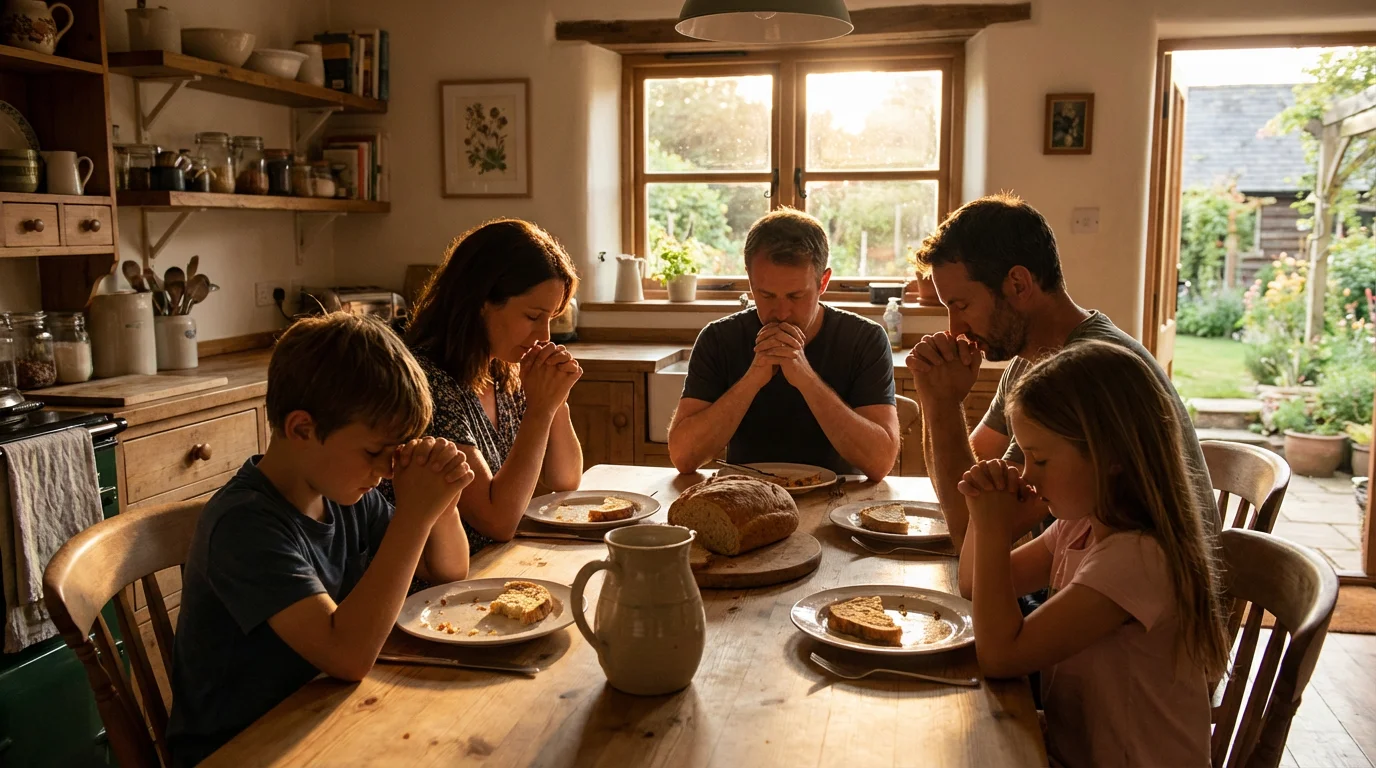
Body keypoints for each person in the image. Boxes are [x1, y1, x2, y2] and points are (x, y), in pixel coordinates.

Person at [168, 313, 475, 766]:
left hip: (324, 714)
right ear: (302, 429)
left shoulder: (344, 494)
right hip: (242, 749)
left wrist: (441, 504)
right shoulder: (244, 525)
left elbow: (447, 568)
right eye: (376, 452)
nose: (388, 471)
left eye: (397, 455)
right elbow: (347, 655)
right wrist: (413, 517)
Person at [958, 341, 1228, 767]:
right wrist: (986, 508)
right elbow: (974, 584)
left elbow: (1001, 656)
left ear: (1110, 457)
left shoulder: (1137, 558)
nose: (1027, 474)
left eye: (1040, 460)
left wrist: (994, 527)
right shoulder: (1080, 525)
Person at [904, 193, 1216, 554]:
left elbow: (975, 532)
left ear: (1018, 284)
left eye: (962, 306)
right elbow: (964, 489)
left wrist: (942, 403)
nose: (956, 329)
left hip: (1131, 600)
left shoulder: (1084, 375)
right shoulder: (1031, 360)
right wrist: (937, 397)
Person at [396, 218, 583, 552]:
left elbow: (564, 480)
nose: (544, 337)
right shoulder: (425, 382)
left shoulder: (502, 369)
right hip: (432, 588)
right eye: (532, 316)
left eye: (550, 319)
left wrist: (556, 400)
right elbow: (497, 521)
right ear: (482, 302)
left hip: (490, 566)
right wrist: (540, 410)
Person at [669, 208, 899, 479]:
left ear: (823, 282)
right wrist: (753, 378)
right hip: (746, 499)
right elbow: (684, 457)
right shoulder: (718, 339)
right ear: (749, 278)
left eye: (796, 296)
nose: (781, 312)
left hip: (838, 501)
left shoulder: (865, 339)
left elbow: (880, 463)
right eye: (765, 295)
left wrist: (805, 378)